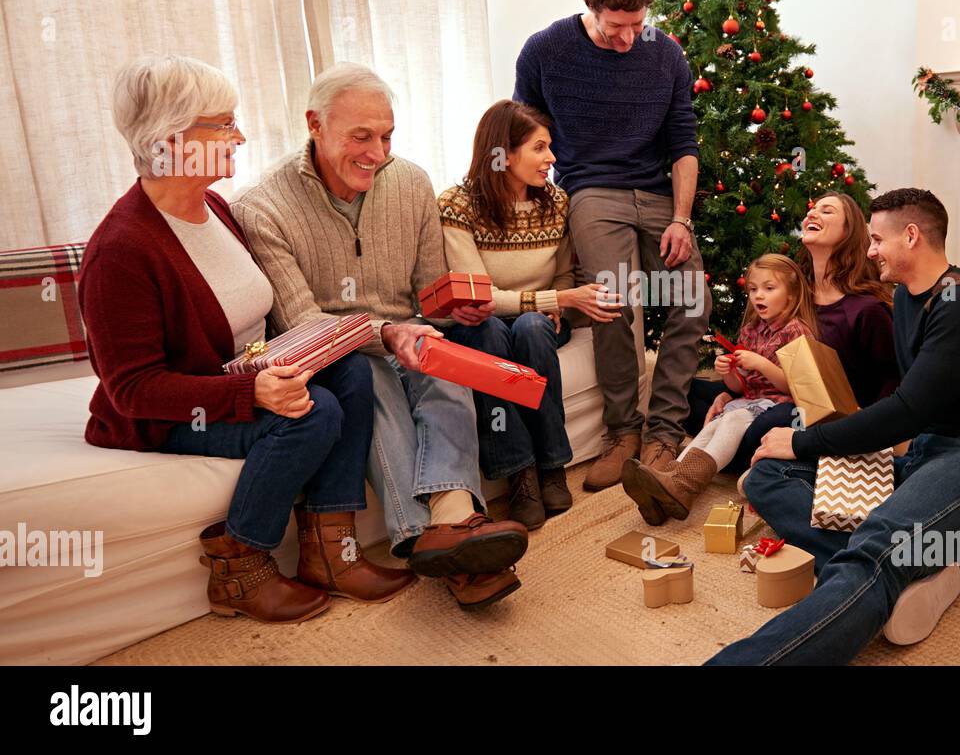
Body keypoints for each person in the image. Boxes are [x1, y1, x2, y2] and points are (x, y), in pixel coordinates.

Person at [81, 55, 412, 624]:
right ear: (173, 138)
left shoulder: (211, 208)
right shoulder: (122, 249)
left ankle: (332, 551)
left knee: (353, 371)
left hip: (241, 376)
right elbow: (132, 390)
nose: (240, 136)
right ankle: (240, 564)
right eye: (224, 124)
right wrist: (252, 395)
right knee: (314, 414)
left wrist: (309, 349)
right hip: (174, 413)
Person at [233, 63, 527, 611]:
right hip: (337, 349)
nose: (377, 152)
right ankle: (434, 537)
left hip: (410, 335)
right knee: (370, 385)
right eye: (361, 137)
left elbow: (427, 291)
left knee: (446, 367)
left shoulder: (410, 181)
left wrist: (454, 307)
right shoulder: (263, 207)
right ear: (314, 124)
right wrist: (385, 332)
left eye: (387, 135)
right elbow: (303, 322)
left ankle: (450, 523)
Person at [708, 189, 960, 665]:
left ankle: (883, 564)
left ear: (911, 236)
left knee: (876, 548)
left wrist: (805, 440)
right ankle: (913, 570)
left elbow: (906, 411)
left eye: (877, 239)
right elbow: (903, 411)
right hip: (925, 454)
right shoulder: (906, 298)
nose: (869, 251)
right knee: (768, 474)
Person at [513, 0, 709, 493]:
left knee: (694, 298)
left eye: (638, 24)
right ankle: (622, 433)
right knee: (614, 299)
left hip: (657, 193)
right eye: (617, 26)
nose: (629, 38)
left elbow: (683, 142)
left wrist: (682, 219)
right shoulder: (545, 50)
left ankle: (663, 434)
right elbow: (525, 132)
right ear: (591, 8)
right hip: (591, 190)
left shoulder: (664, 53)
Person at [438, 100, 623, 529]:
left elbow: (561, 276)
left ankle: (552, 465)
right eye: (540, 148)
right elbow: (480, 299)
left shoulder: (556, 203)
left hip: (538, 323)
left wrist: (557, 301)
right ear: (505, 152)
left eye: (550, 147)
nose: (551, 159)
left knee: (531, 329)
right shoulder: (457, 205)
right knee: (490, 334)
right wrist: (557, 301)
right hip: (483, 324)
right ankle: (520, 472)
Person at [687, 192, 900, 472]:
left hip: (817, 411)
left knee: (766, 423)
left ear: (848, 231)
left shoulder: (866, 308)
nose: (812, 214)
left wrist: (865, 429)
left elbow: (891, 378)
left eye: (827, 211)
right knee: (686, 393)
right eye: (813, 209)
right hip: (767, 393)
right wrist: (730, 393)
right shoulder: (791, 290)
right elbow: (756, 354)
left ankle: (724, 455)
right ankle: (733, 450)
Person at [623, 254, 817, 524]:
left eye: (769, 289)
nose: (758, 296)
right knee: (716, 422)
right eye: (752, 289)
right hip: (751, 401)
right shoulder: (751, 330)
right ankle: (670, 480)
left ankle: (686, 485)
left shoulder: (797, 331)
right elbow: (740, 387)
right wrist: (730, 372)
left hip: (782, 405)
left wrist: (761, 364)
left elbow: (798, 387)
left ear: (792, 293)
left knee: (734, 417)